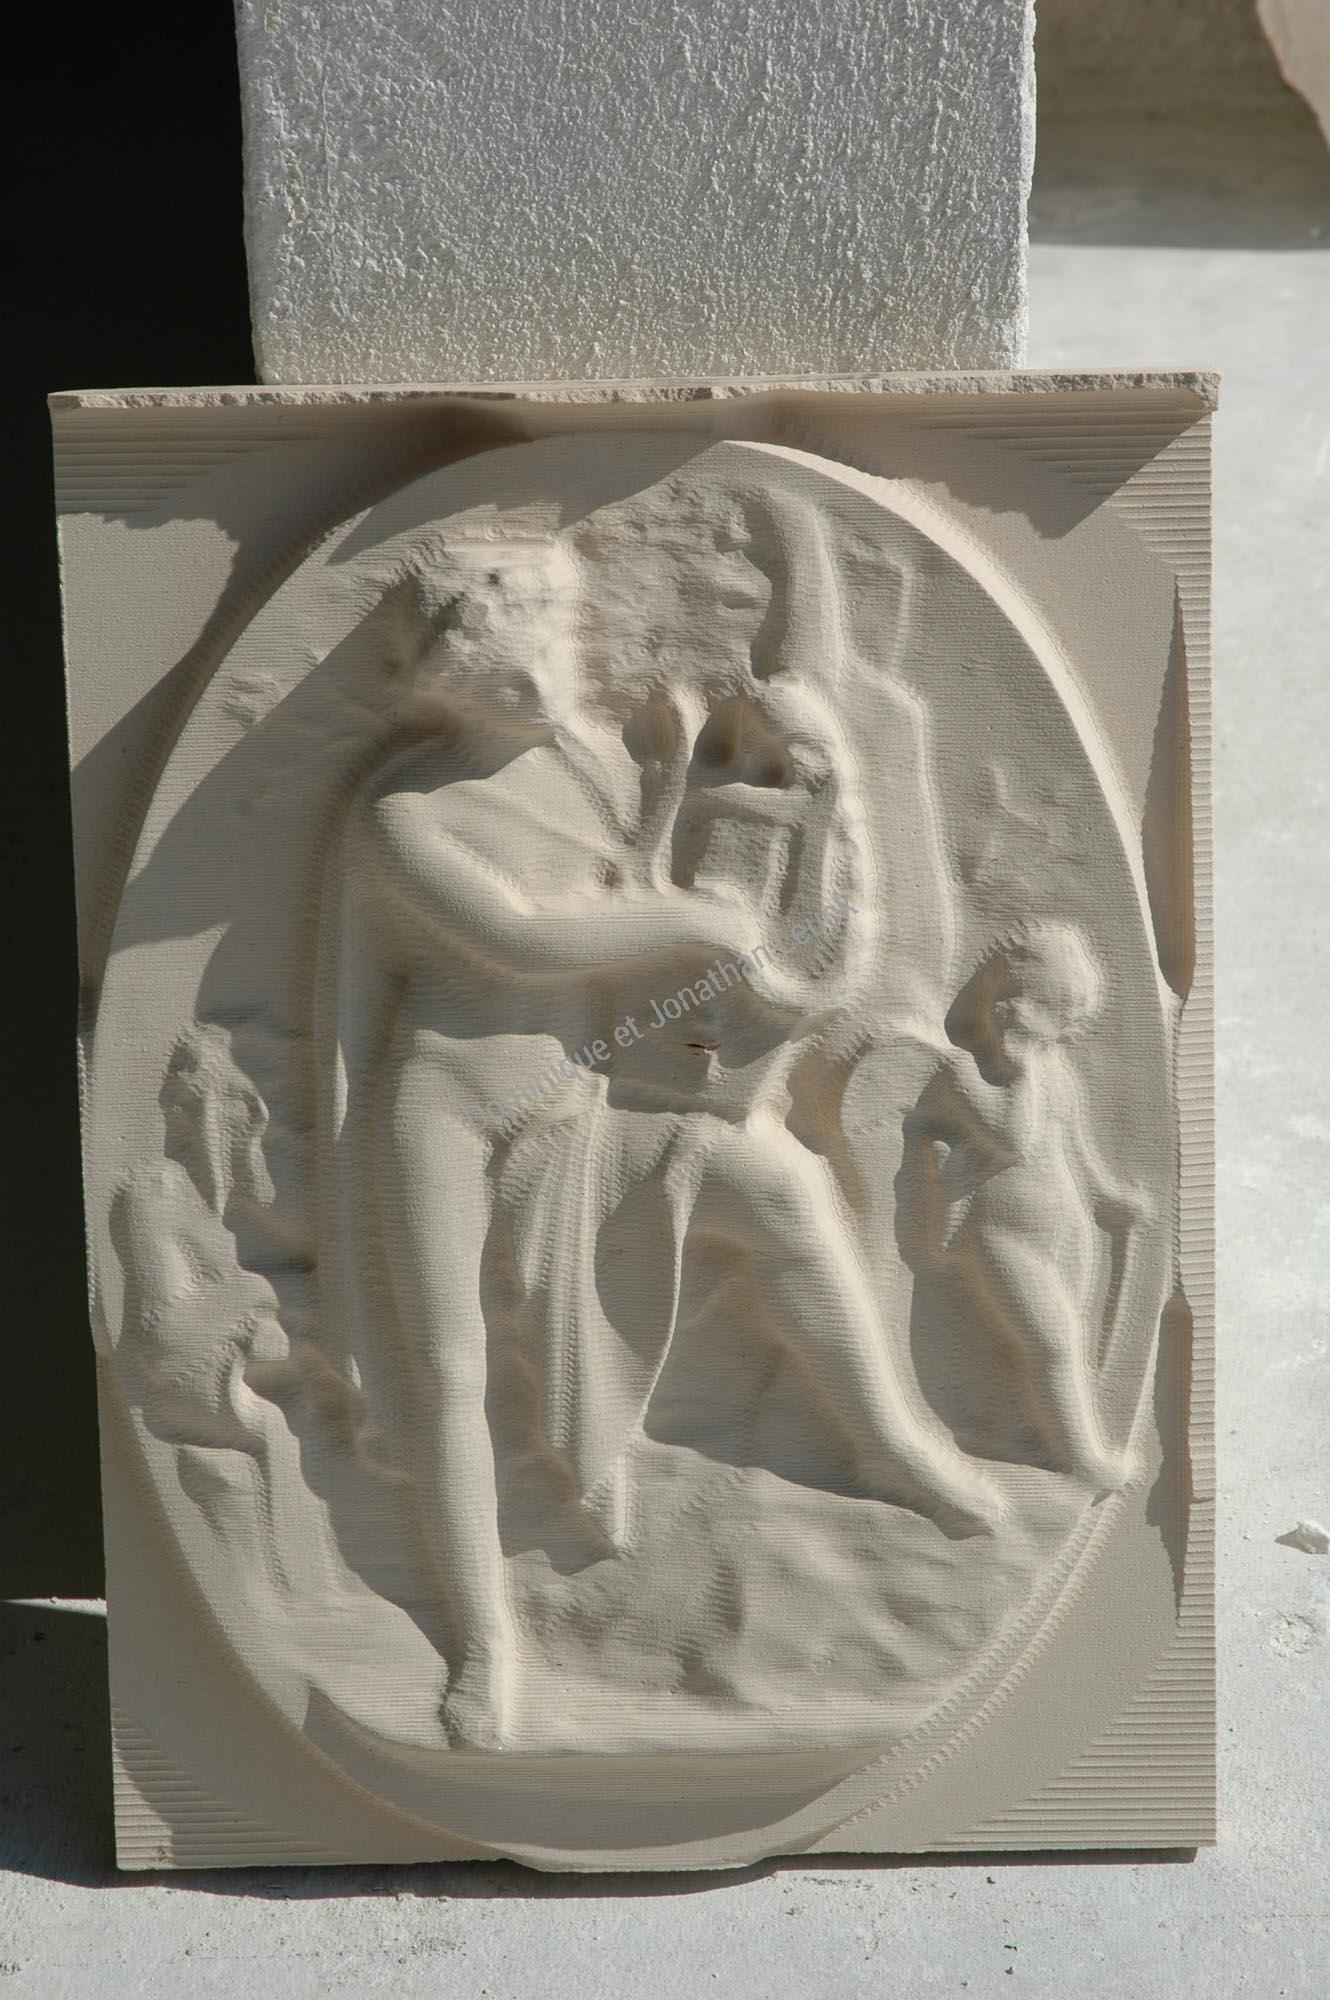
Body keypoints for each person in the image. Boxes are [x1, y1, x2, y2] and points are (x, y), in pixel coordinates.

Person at [903, 922, 1148, 1493]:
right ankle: (1085, 1458)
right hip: (1000, 1235)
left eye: (1069, 1018)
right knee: (1052, 1343)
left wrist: (1108, 1194)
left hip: (1065, 1230)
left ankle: (1023, 1431)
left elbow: (1072, 1145)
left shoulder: (1057, 1071)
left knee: (1061, 1340)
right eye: (1055, 1014)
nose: (1064, 1030)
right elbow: (1014, 1136)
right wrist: (1021, 1068)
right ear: (1016, 1008)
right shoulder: (965, 1072)